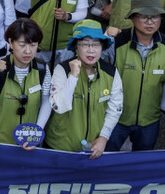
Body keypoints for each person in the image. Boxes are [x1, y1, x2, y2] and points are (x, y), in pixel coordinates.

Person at [108, 0, 165, 151]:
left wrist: (163, 105)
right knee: (108, 157)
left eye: (155, 16)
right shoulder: (117, 42)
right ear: (132, 17)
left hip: (150, 120)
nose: (150, 21)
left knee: (142, 161)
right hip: (117, 117)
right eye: (144, 16)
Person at [0, 17, 51, 146]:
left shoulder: (42, 69)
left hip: (27, 143)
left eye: (33, 45)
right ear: (11, 43)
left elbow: (46, 101)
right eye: (22, 45)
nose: (28, 51)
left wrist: (36, 134)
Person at [45, 20, 123, 156]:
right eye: (85, 44)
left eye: (96, 45)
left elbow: (115, 109)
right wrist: (73, 77)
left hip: (93, 147)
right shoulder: (62, 70)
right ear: (76, 46)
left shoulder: (111, 73)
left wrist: (103, 138)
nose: (91, 50)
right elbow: (59, 106)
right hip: (59, 146)